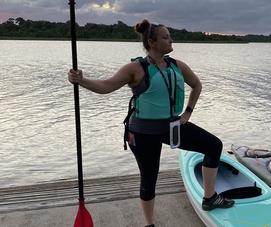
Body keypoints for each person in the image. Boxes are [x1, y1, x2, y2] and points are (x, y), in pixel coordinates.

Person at [68, 19, 234, 227]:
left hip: (172, 127)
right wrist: (82, 81)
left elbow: (197, 85)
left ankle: (210, 198)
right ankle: (149, 224)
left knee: (213, 145)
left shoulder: (177, 65)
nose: (171, 39)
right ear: (152, 42)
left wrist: (188, 113)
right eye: (166, 37)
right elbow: (106, 86)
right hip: (143, 132)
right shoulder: (135, 68)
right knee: (149, 178)